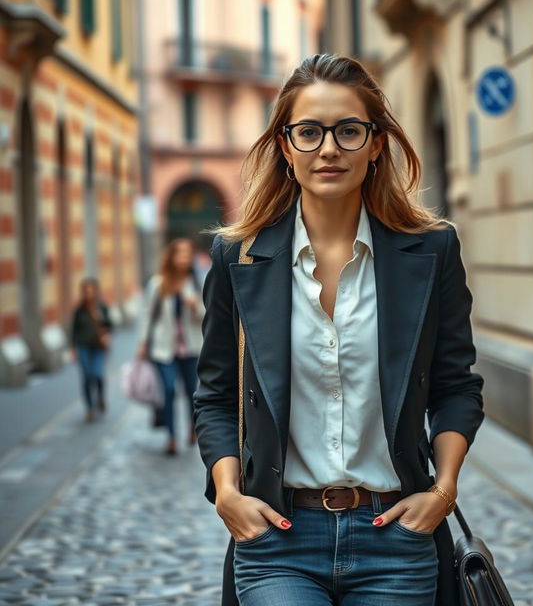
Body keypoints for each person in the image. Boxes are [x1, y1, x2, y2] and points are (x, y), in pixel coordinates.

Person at [193, 54, 484, 606]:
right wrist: (226, 492)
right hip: (278, 537)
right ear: (285, 145)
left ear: (376, 144)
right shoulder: (238, 257)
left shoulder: (432, 250)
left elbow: (455, 385)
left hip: (395, 538)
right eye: (309, 132)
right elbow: (215, 393)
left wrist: (442, 490)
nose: (328, 149)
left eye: (349, 131)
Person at [138, 238, 205, 455]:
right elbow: (147, 315)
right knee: (167, 389)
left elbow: (208, 315)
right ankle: (171, 437)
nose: (183, 258)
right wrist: (142, 343)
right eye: (179, 253)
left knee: (191, 392)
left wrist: (195, 307)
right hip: (162, 348)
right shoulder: (158, 284)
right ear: (171, 256)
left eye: (187, 253)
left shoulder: (196, 283)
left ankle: (192, 428)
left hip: (190, 348)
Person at [70, 277, 113, 422]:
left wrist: (107, 336)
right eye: (86, 290)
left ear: (95, 291)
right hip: (83, 347)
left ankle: (100, 397)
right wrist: (73, 348)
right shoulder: (79, 310)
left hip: (98, 348)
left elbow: (110, 325)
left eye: (91, 290)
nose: (88, 293)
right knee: (87, 376)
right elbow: (74, 331)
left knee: (98, 374)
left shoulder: (101, 307)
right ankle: (89, 408)